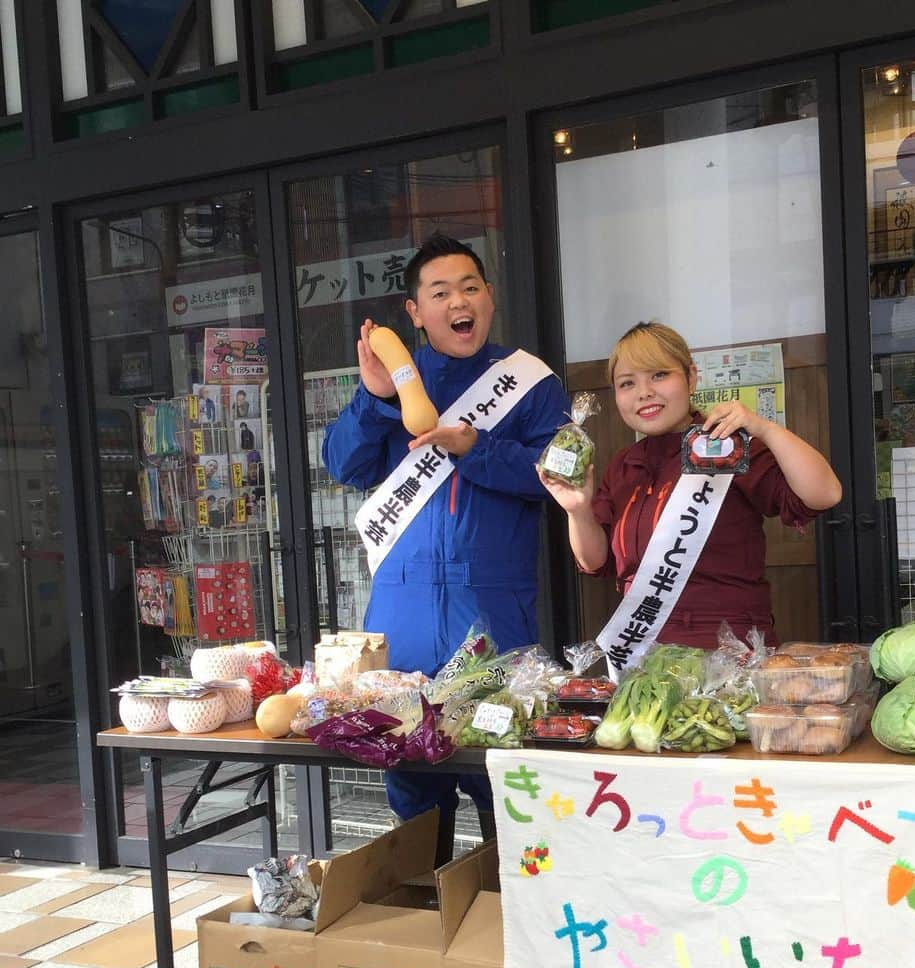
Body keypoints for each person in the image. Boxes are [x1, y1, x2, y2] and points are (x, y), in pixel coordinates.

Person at [322, 233, 569, 822]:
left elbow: (558, 475)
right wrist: (372, 396)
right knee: (411, 787)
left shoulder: (531, 382)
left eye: (470, 288)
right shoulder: (397, 381)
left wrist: (475, 448)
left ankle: (502, 911)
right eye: (440, 292)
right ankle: (423, 908)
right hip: (399, 610)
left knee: (501, 783)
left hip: (491, 607)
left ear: (488, 297)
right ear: (416, 312)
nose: (459, 302)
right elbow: (344, 466)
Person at [539, 321, 842, 648]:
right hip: (645, 657)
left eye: (659, 375)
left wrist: (764, 429)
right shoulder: (622, 466)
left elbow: (824, 494)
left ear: (691, 377)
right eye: (627, 383)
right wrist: (578, 511)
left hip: (729, 654)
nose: (644, 392)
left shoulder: (727, 446)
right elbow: (595, 562)